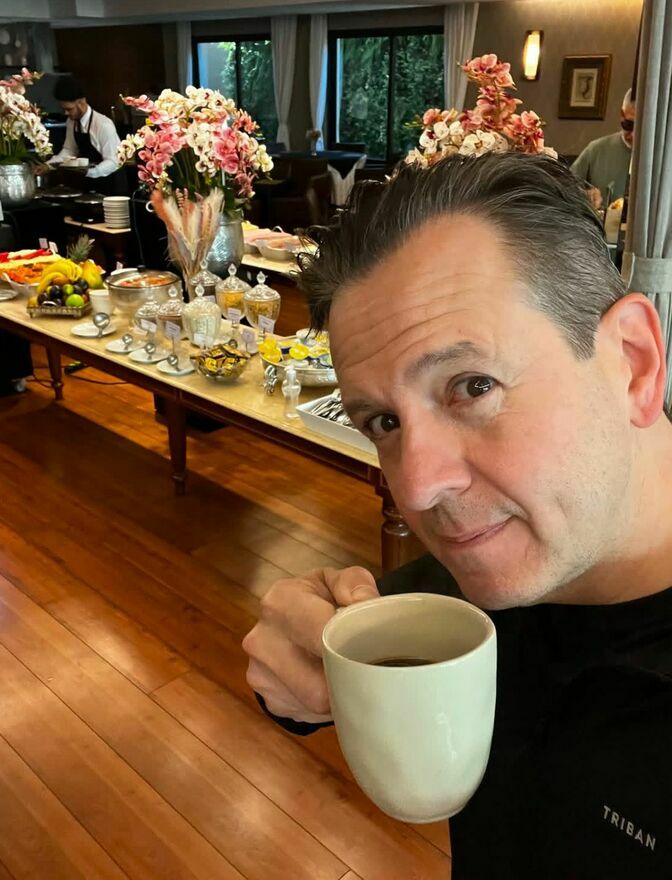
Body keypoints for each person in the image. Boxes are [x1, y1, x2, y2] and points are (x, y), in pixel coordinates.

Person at [242, 153, 672, 878]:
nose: (416, 488)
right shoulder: (475, 582)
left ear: (632, 362)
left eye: (472, 386)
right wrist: (294, 674)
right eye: (383, 423)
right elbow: (346, 645)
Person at [44, 75, 125, 194]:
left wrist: (90, 172)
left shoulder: (103, 125)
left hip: (110, 185)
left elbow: (113, 161)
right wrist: (48, 166)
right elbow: (69, 150)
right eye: (64, 109)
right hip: (88, 183)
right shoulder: (71, 122)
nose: (66, 113)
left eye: (69, 109)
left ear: (81, 103)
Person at [571, 88, 635, 208]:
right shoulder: (595, 150)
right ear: (622, 115)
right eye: (629, 125)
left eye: (641, 128)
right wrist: (583, 196)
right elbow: (565, 190)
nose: (633, 135)